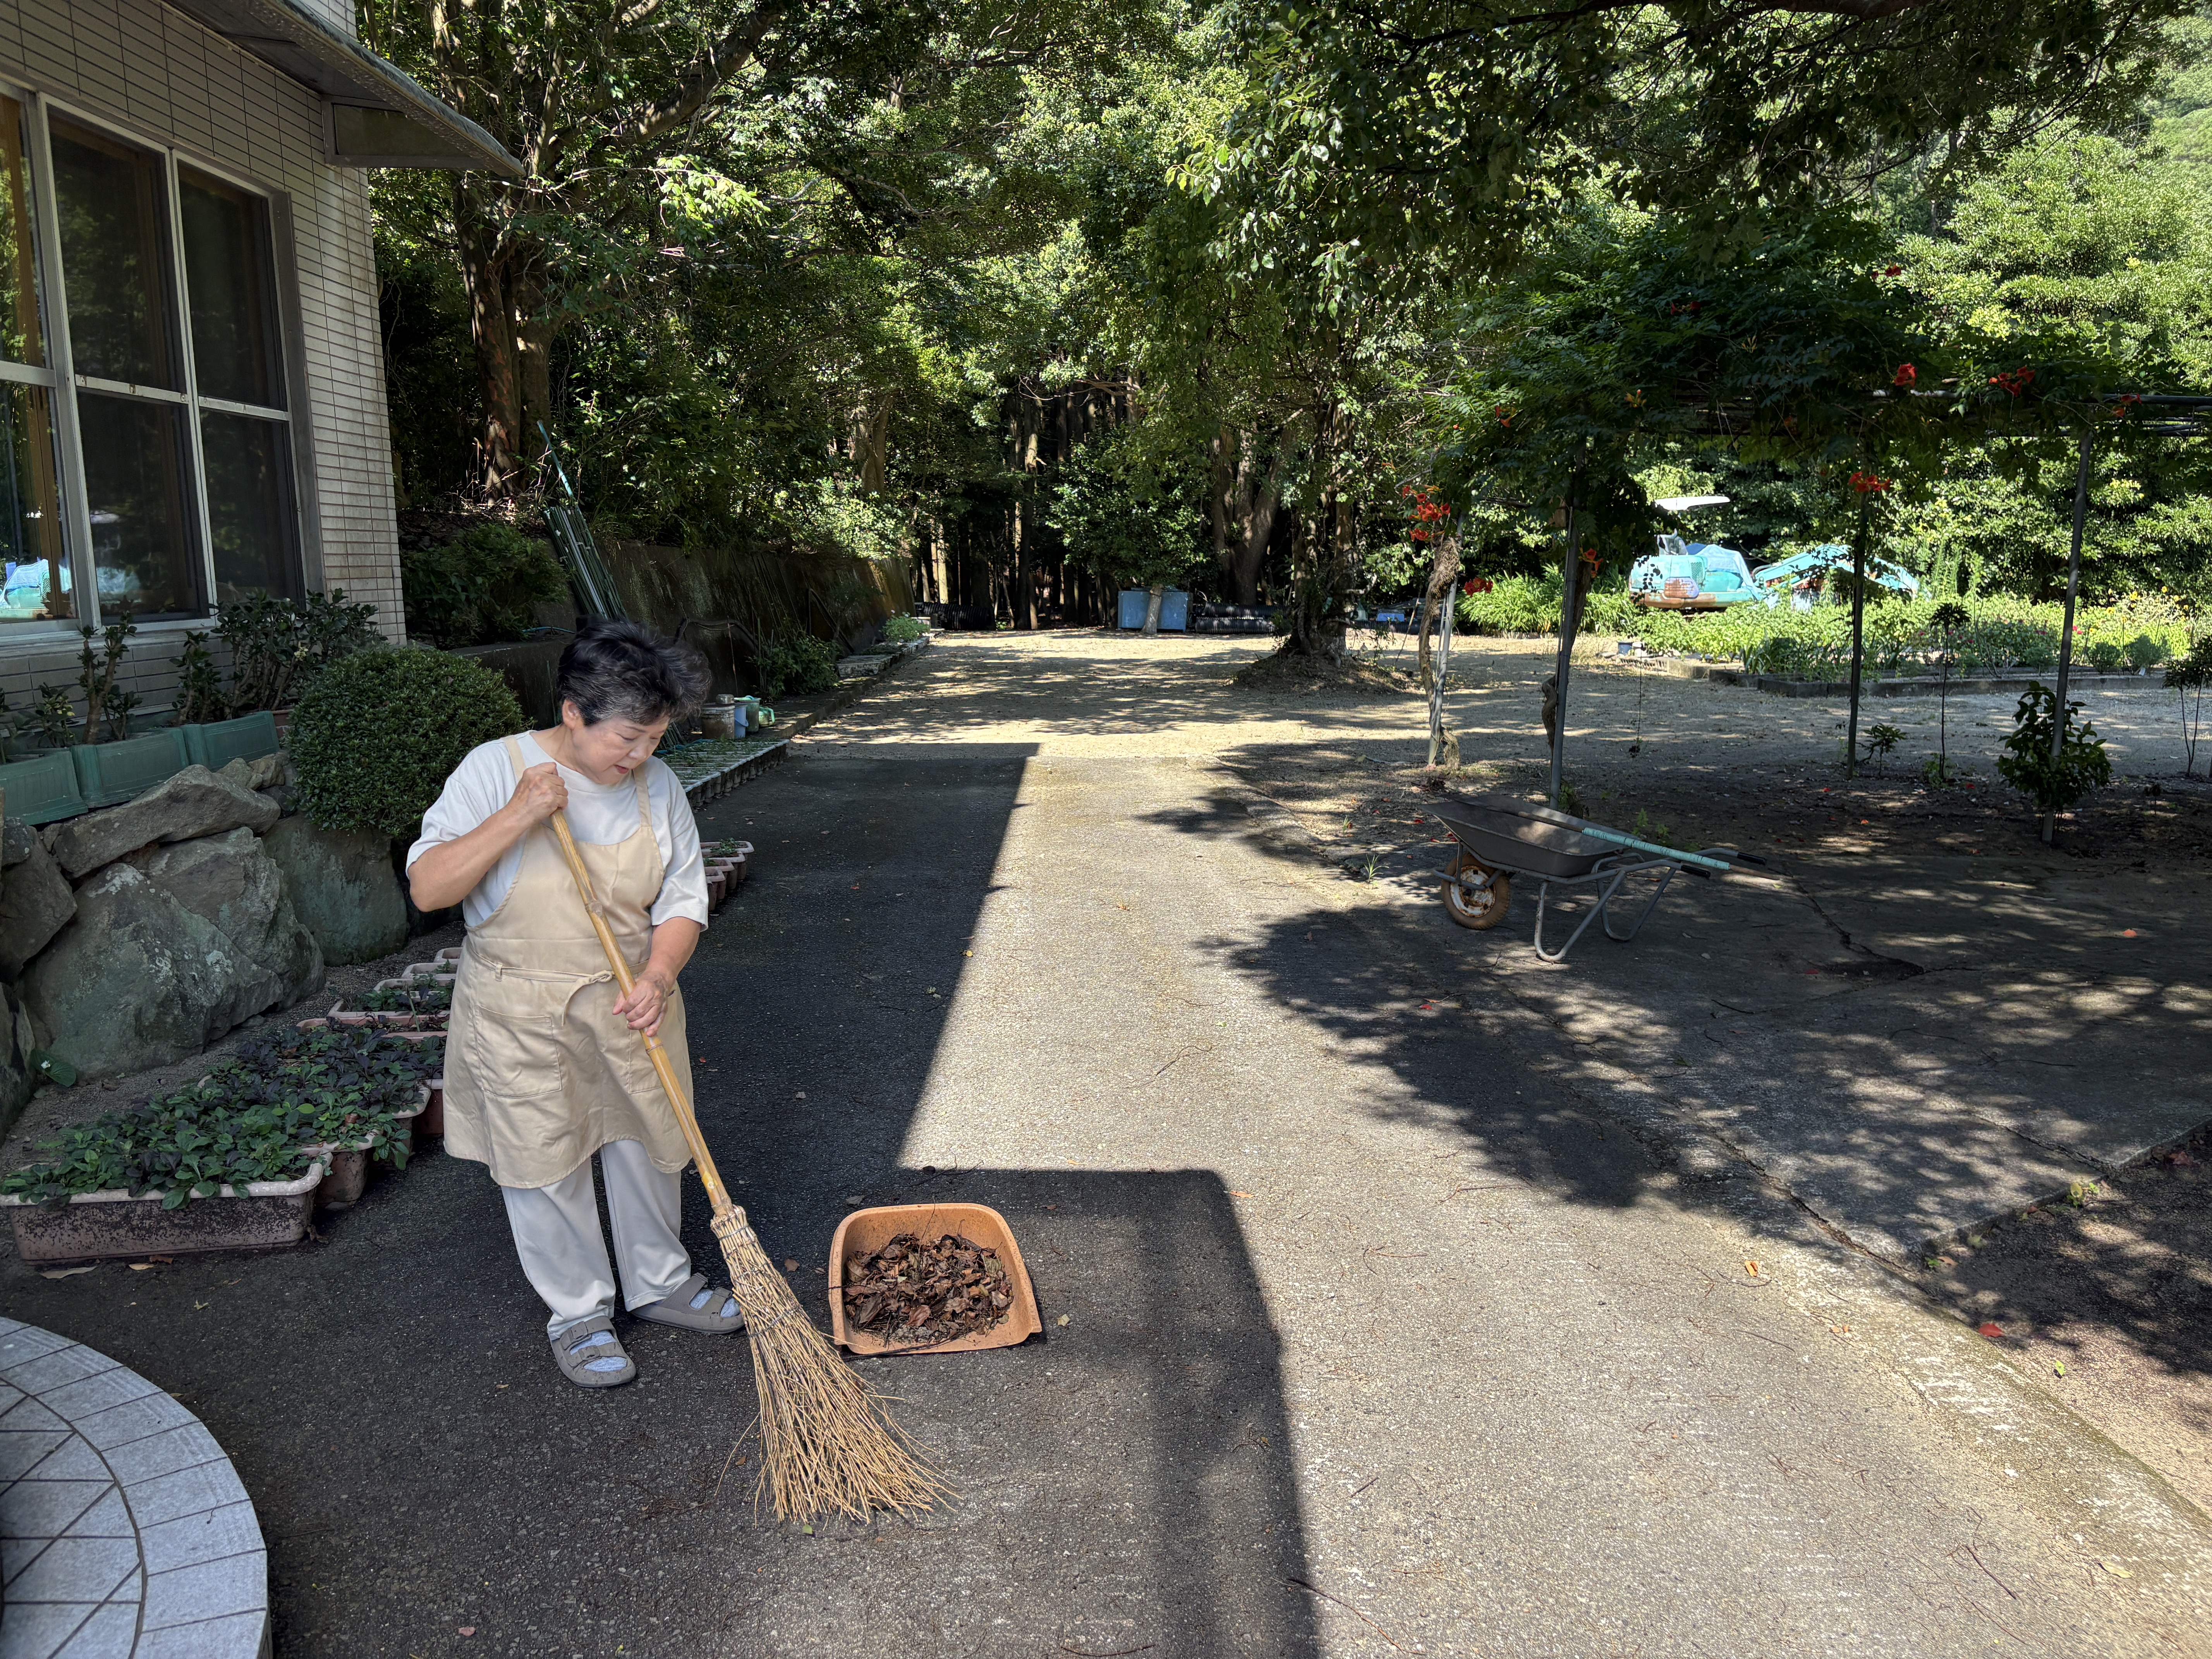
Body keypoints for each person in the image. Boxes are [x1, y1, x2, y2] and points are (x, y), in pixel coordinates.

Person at [407, 619, 742, 1388]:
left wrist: (658, 976)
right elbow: (430, 887)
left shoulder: (657, 786)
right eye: (628, 738)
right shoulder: (495, 771)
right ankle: (580, 1310)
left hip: (632, 999)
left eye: (655, 738)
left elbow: (684, 898)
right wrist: (519, 816)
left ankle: (660, 1283)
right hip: (519, 1010)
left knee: (650, 1144)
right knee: (542, 1162)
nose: (641, 757)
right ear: (571, 714)